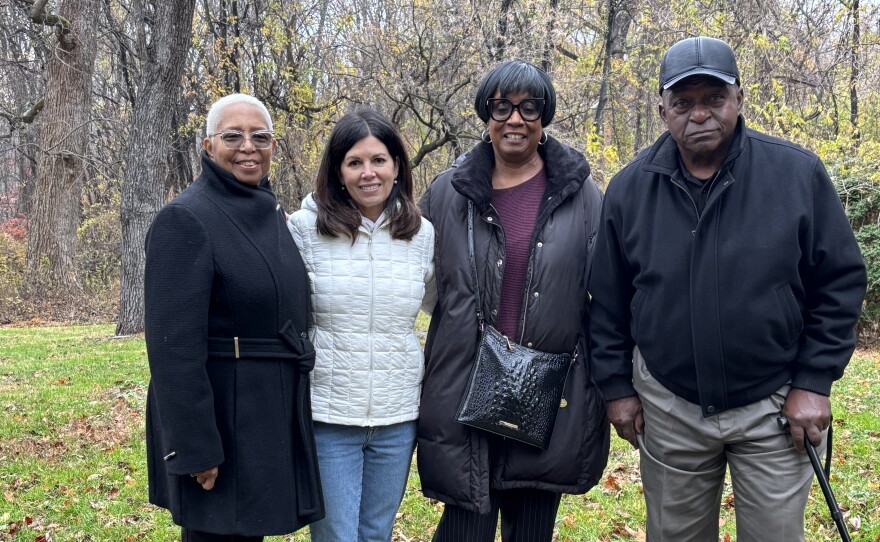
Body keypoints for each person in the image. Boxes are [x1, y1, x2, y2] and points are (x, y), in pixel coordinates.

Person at [589, 36, 867, 541]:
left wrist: (813, 381)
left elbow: (840, 281)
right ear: (661, 110)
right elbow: (606, 301)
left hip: (775, 404)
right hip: (670, 407)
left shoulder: (795, 173)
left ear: (739, 99)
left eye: (714, 99)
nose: (699, 114)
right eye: (683, 102)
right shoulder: (629, 189)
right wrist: (616, 389)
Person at [417, 60, 610, 542]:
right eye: (502, 106)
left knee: (530, 528)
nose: (515, 119)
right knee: (464, 528)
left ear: (544, 115)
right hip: (464, 385)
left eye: (530, 107)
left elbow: (609, 294)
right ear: (486, 112)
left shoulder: (583, 196)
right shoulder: (448, 192)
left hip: (547, 394)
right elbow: (418, 286)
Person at [144, 93, 323, 541]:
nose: (248, 146)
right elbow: (173, 352)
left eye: (259, 136)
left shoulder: (269, 212)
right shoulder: (186, 218)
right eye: (233, 136)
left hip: (266, 410)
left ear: (274, 147)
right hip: (221, 414)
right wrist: (196, 446)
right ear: (208, 147)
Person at [286, 108, 436, 542]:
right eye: (355, 162)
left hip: (398, 414)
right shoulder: (303, 230)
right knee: (336, 536)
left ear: (397, 167)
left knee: (376, 533)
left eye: (379, 160)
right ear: (337, 171)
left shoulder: (421, 233)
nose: (368, 173)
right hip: (329, 414)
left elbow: (440, 304)